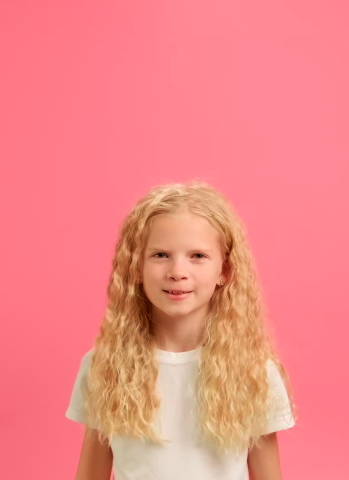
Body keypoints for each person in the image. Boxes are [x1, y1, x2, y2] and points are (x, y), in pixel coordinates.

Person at [65, 179, 297, 480]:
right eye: (161, 255)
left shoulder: (254, 372)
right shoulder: (104, 367)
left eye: (197, 256)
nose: (177, 272)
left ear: (224, 271)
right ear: (137, 267)